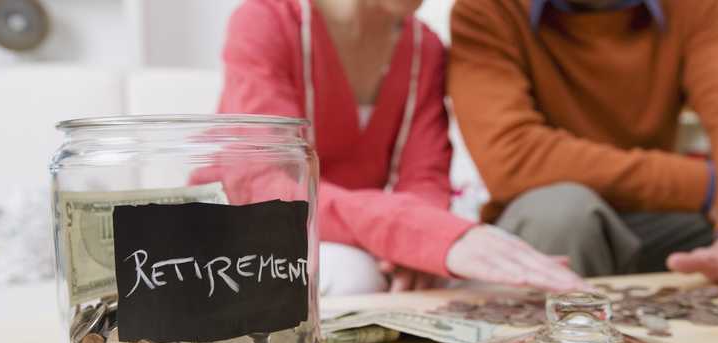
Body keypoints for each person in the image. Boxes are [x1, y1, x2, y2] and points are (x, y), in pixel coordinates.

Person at [193, 0, 588, 296]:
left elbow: (424, 178)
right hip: (251, 224)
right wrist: (414, 234)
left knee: (468, 283)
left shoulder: (425, 47)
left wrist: (418, 249)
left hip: (361, 234)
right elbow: (266, 184)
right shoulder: (265, 21)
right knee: (353, 276)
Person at [449, 0, 718, 304]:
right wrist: (710, 186)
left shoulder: (698, 8)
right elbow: (513, 158)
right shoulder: (488, 9)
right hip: (550, 222)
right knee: (563, 214)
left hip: (658, 220)